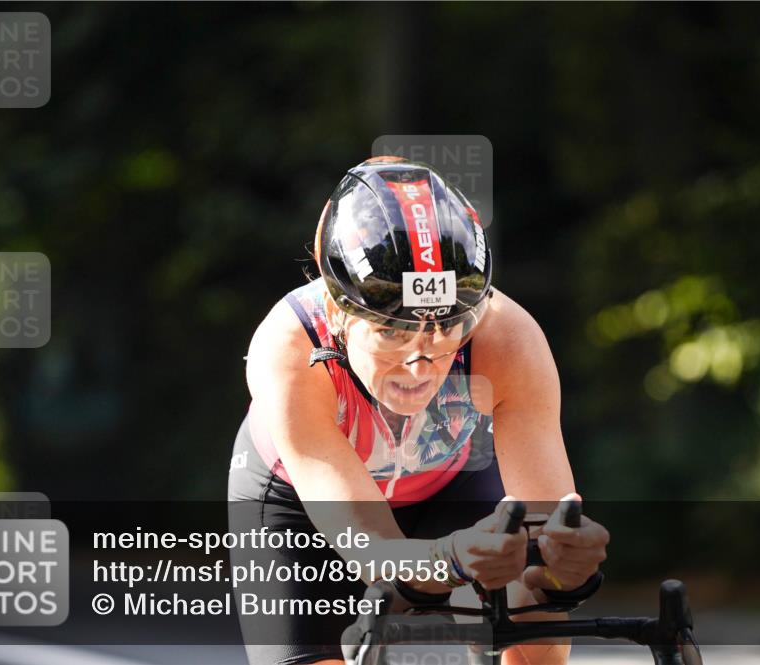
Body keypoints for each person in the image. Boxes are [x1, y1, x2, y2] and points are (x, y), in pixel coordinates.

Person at [228, 157, 609, 665]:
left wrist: (563, 573)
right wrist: (450, 559)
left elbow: (542, 547)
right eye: (391, 330)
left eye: (448, 326)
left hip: (447, 482)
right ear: (338, 310)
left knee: (539, 642)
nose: (420, 361)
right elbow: (370, 549)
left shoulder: (508, 339)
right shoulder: (290, 348)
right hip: (298, 505)